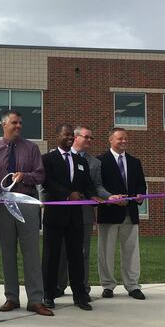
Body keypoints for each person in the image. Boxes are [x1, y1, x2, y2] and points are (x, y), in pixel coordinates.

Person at [0, 110, 51, 316]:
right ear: (4, 125)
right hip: (3, 206)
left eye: (20, 122)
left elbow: (40, 175)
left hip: (26, 203)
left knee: (32, 253)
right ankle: (11, 297)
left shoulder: (31, 148)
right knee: (7, 252)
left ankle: (35, 300)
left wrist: (24, 176)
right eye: (14, 123)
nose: (18, 126)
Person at [40, 124, 100, 311]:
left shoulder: (80, 161)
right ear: (57, 136)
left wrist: (93, 196)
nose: (69, 138)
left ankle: (80, 296)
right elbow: (47, 182)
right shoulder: (47, 159)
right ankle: (48, 295)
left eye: (71, 135)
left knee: (77, 256)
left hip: (75, 217)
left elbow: (87, 184)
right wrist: (68, 194)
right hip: (55, 216)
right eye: (65, 134)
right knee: (52, 256)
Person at [55, 126, 110, 301]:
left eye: (91, 138)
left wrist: (109, 197)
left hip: (84, 213)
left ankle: (82, 288)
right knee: (61, 250)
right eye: (86, 137)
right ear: (76, 137)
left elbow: (97, 186)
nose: (89, 140)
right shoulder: (56, 156)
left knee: (82, 252)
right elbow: (45, 182)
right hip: (60, 211)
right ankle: (58, 285)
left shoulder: (95, 163)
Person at [96, 127, 148, 300]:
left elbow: (141, 184)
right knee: (106, 252)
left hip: (130, 213)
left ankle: (133, 285)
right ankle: (108, 285)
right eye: (120, 138)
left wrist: (140, 195)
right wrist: (110, 198)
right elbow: (97, 186)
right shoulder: (100, 161)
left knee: (131, 251)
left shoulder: (135, 162)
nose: (124, 141)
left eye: (125, 138)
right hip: (108, 213)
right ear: (111, 140)